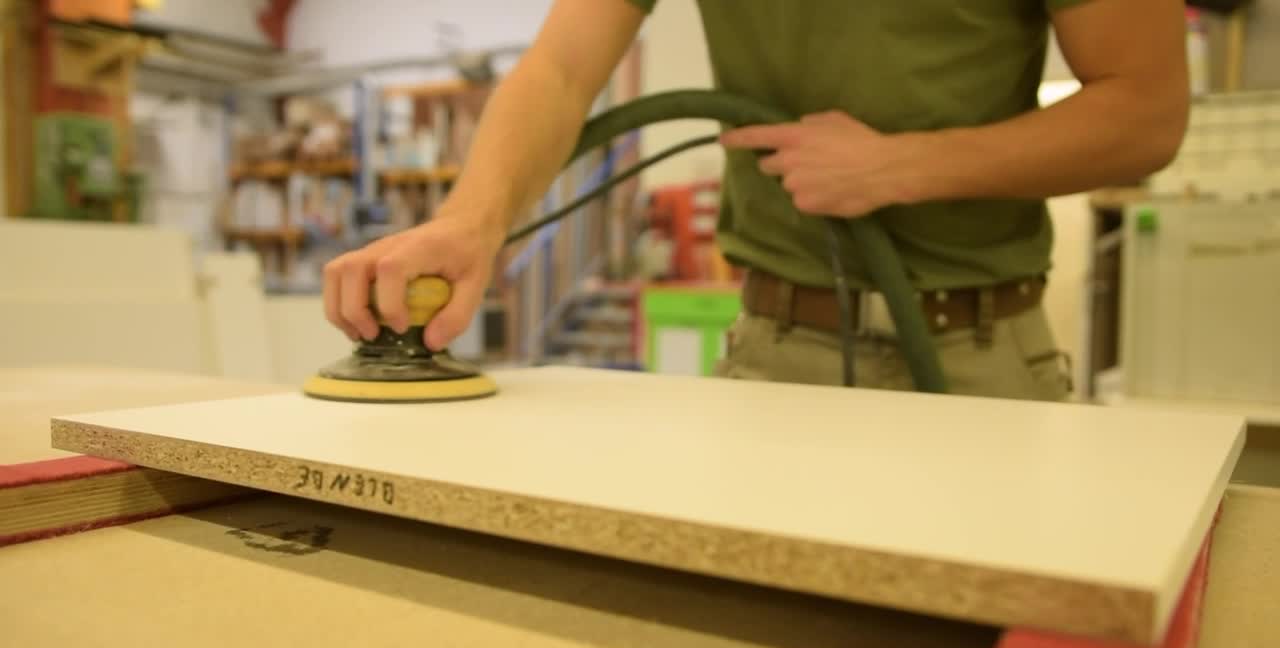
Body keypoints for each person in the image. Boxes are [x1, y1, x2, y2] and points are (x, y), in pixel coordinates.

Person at [322, 0, 1189, 400]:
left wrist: (898, 167)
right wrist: (471, 223)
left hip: (977, 355)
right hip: (775, 353)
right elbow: (559, 68)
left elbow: (1146, 111)